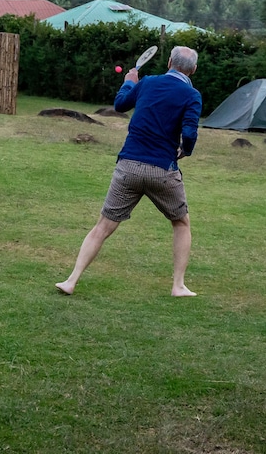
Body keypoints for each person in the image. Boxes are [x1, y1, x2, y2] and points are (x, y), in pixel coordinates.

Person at [56, 45, 201, 297]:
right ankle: (178, 285)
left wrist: (129, 83)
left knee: (102, 226)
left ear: (168, 63)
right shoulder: (192, 95)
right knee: (181, 223)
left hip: (128, 167)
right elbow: (188, 133)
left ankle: (71, 280)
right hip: (162, 172)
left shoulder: (147, 82)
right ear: (194, 70)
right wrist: (185, 150)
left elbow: (120, 104)